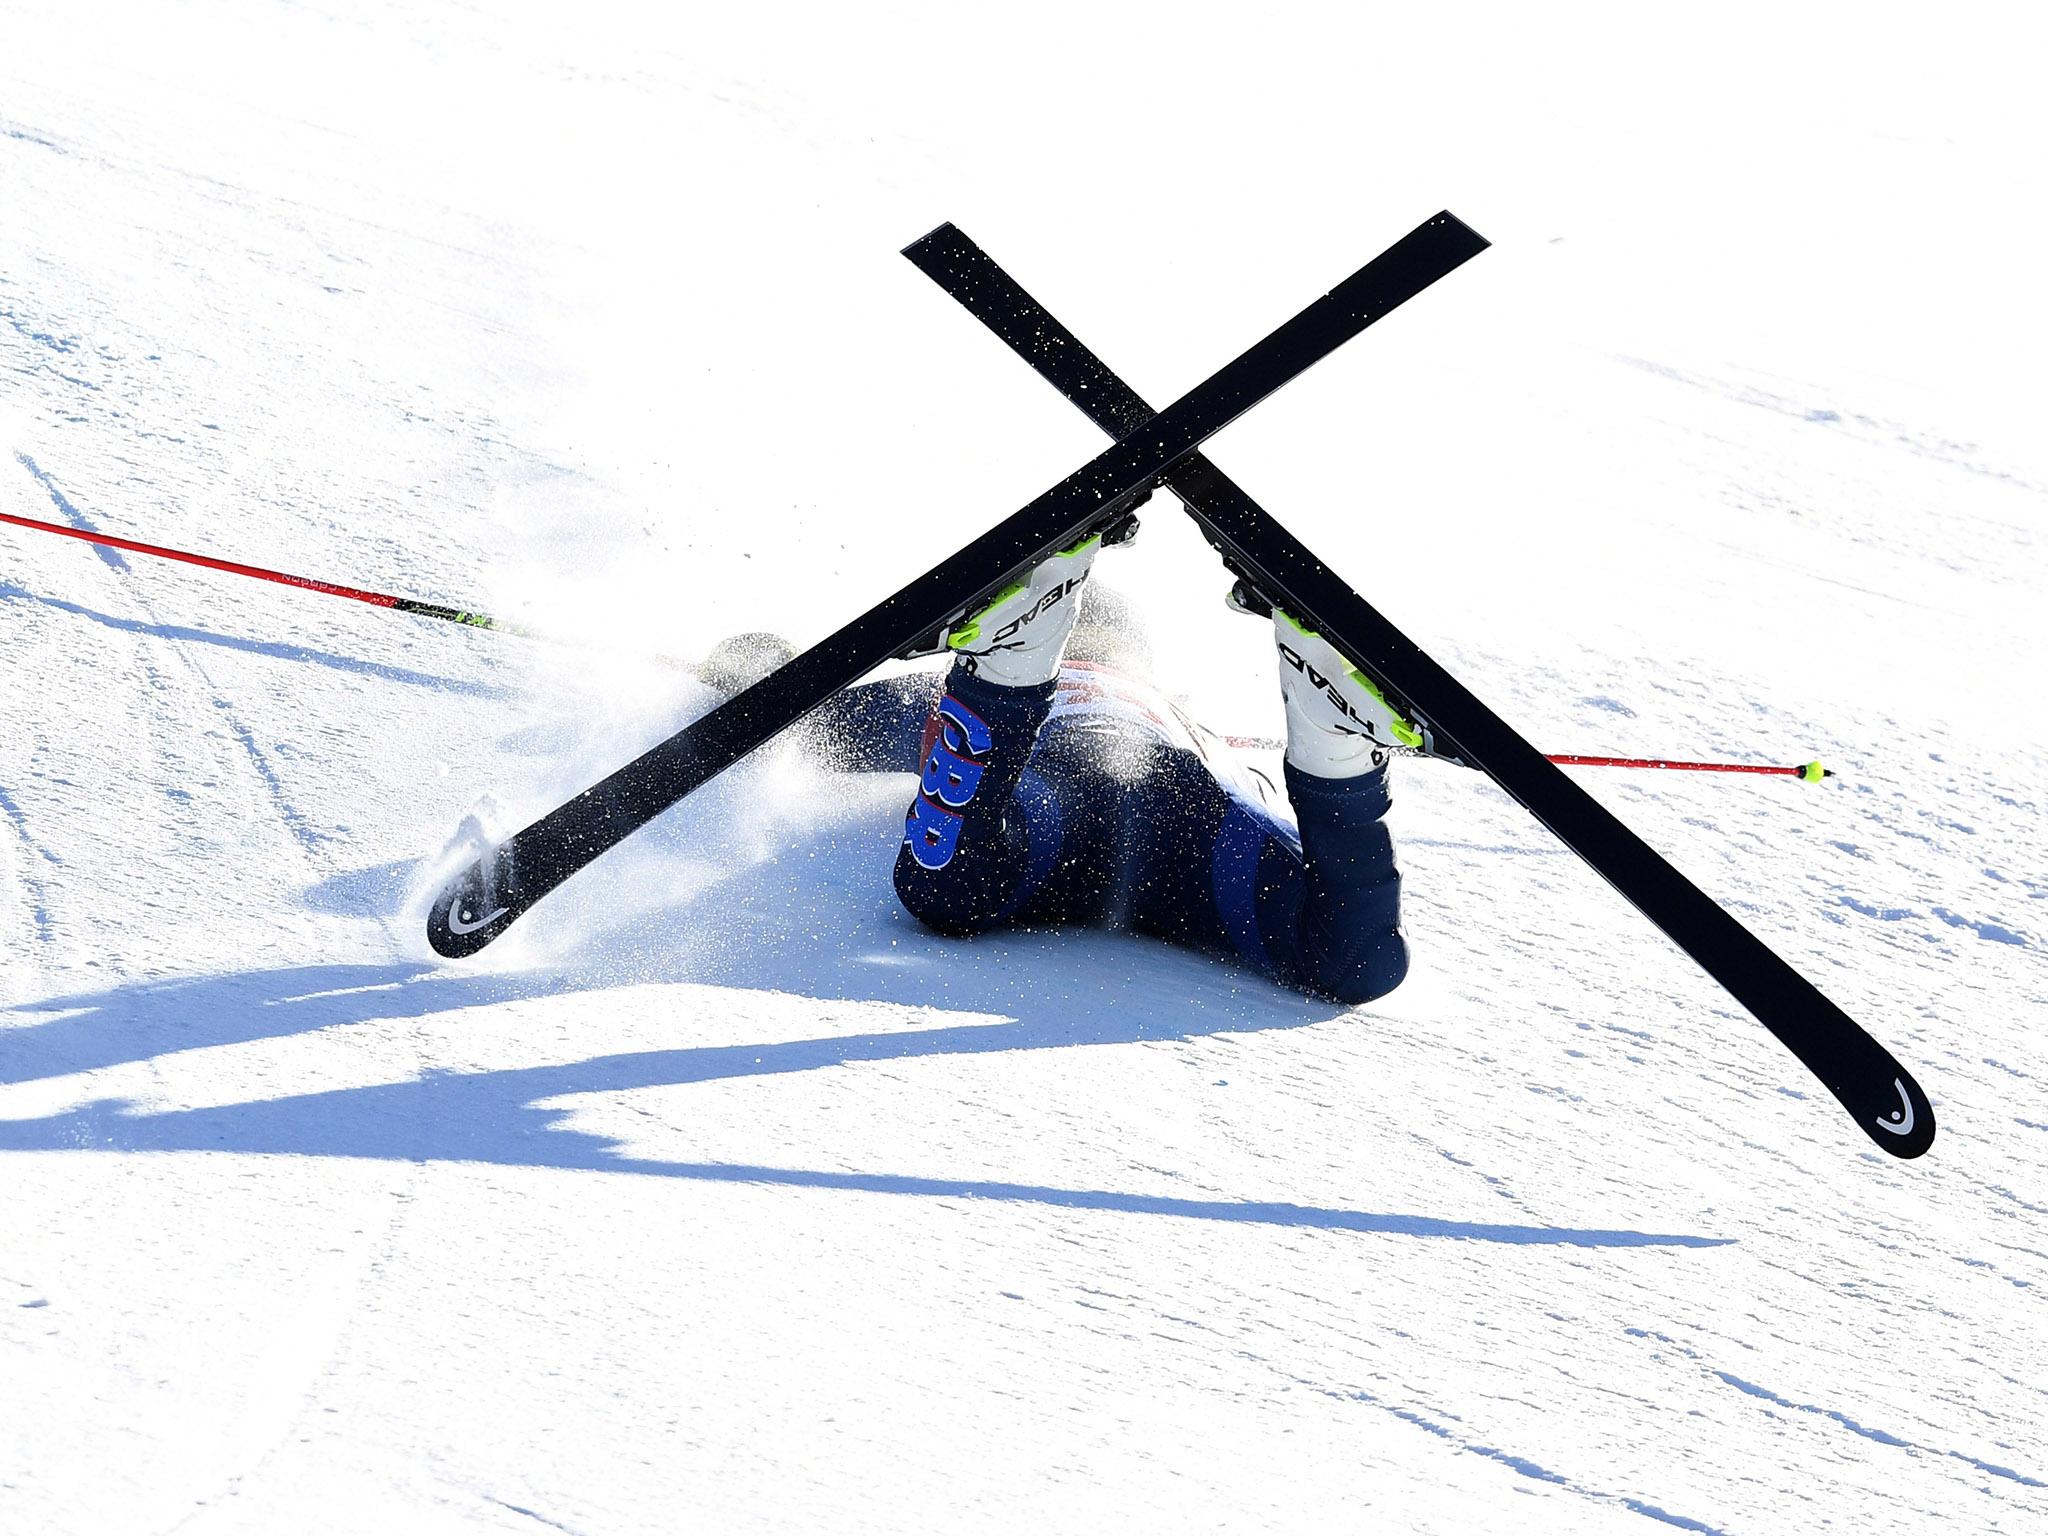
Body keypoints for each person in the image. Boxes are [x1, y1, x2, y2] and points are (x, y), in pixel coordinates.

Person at [700, 526, 1414, 1005]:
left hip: (1084, 803)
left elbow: (809, 713)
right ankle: (1339, 753)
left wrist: (744, 665)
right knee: (1356, 963)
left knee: (943, 893)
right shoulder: (1181, 710)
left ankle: (1007, 676)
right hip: (1177, 823)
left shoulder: (939, 693)